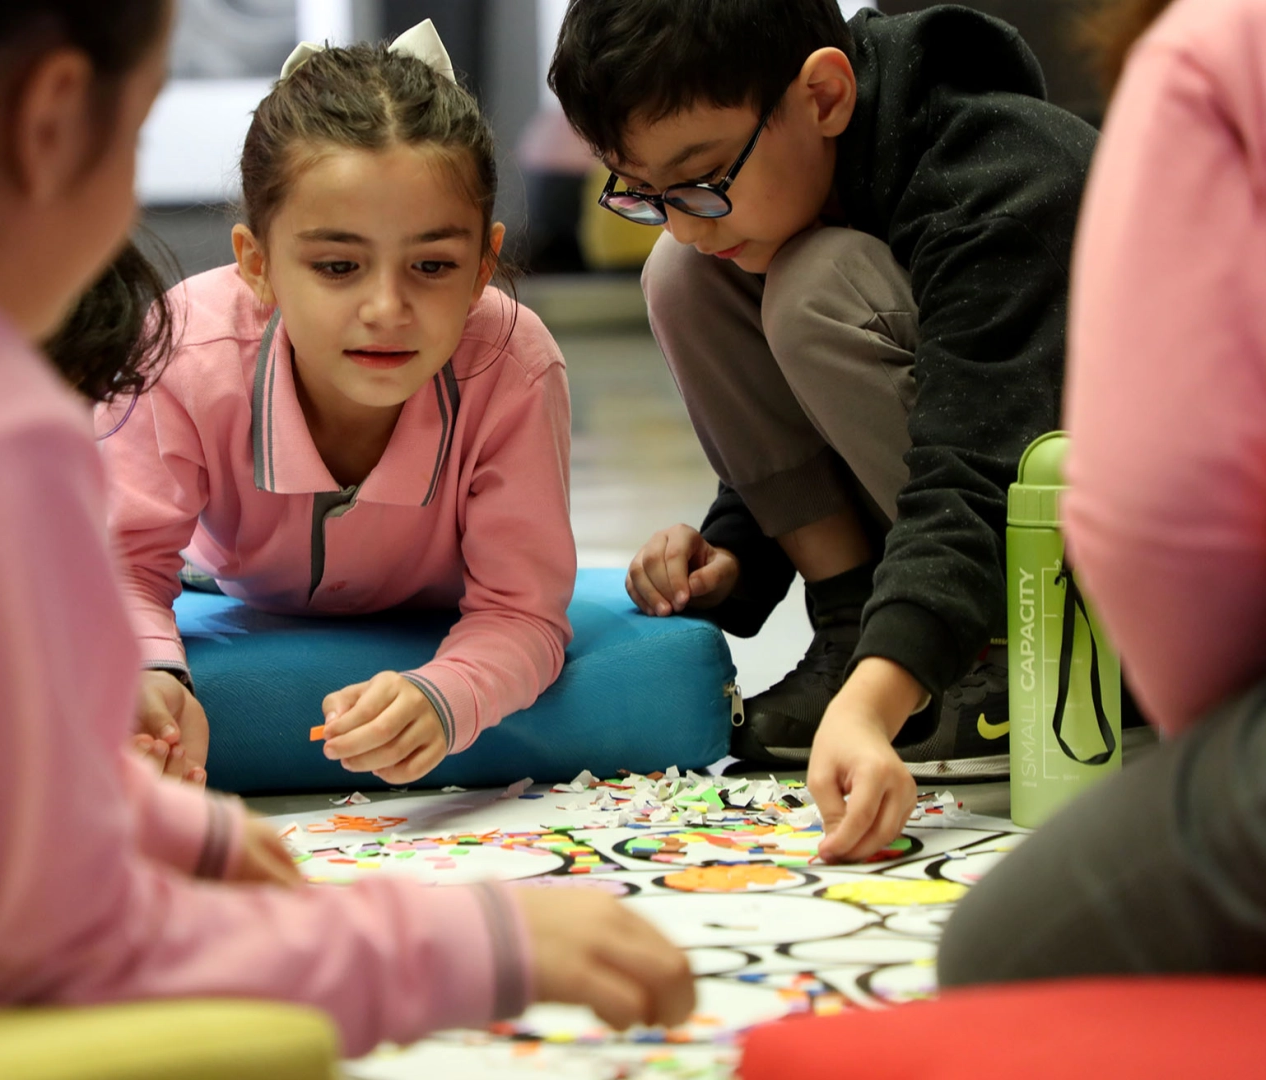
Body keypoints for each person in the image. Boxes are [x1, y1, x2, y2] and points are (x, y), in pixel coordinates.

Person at [0, 1, 693, 1053]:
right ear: (52, 119)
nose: (385, 308)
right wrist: (483, 941)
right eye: (143, 126)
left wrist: (165, 822)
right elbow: (51, 942)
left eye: (429, 264)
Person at [548, 0, 1096, 861]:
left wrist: (878, 702)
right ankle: (849, 625)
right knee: (684, 275)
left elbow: (974, 457)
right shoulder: (774, 188)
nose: (685, 219)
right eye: (645, 193)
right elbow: (828, 407)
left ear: (826, 96)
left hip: (1102, 576)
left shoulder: (1000, 175)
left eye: (702, 178)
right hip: (974, 504)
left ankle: (988, 662)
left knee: (815, 284)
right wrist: (739, 547)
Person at [107, 23, 576, 788]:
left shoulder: (513, 366)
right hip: (221, 582)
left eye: (433, 265)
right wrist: (153, 678)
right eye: (337, 266)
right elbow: (120, 570)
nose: (386, 308)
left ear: (484, 264)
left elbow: (523, 613)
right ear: (257, 263)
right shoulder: (181, 351)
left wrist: (447, 697)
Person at [939, 0, 1266, 983]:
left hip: (1191, 683)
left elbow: (1162, 507)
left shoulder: (1211, 46)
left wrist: (1203, 736)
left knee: (996, 957)